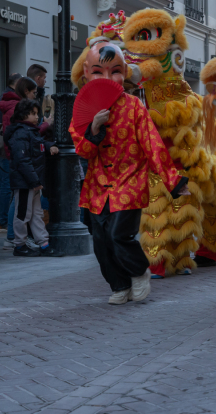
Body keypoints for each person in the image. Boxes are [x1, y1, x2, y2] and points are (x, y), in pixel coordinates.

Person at [69, 43, 189, 304]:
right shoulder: (84, 108)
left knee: (118, 235)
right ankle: (119, 285)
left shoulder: (134, 106)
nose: (108, 78)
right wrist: (94, 129)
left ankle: (138, 271)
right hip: (97, 188)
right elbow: (83, 151)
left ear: (124, 72)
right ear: (87, 72)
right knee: (101, 243)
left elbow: (152, 143)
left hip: (129, 183)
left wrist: (173, 180)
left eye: (115, 71)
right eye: (99, 71)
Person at [4, 99, 63, 257]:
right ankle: (20, 244)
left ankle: (43, 243)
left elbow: (39, 146)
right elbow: (22, 160)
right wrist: (34, 181)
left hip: (32, 181)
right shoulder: (20, 133)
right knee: (23, 213)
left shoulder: (30, 131)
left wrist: (49, 146)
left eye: (37, 113)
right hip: (26, 183)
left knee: (36, 213)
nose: (37, 117)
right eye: (34, 113)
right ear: (24, 115)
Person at [0, 76, 39, 246]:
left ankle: (16, 236)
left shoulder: (13, 105)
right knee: (19, 199)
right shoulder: (16, 107)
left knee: (20, 199)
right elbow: (16, 133)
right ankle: (14, 237)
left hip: (14, 155)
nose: (35, 96)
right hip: (16, 157)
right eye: (34, 93)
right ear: (26, 91)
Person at [0, 73, 21, 229]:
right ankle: (1, 219)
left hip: (2, 146)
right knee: (6, 184)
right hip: (7, 148)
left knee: (2, 183)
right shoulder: (10, 101)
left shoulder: (2, 98)